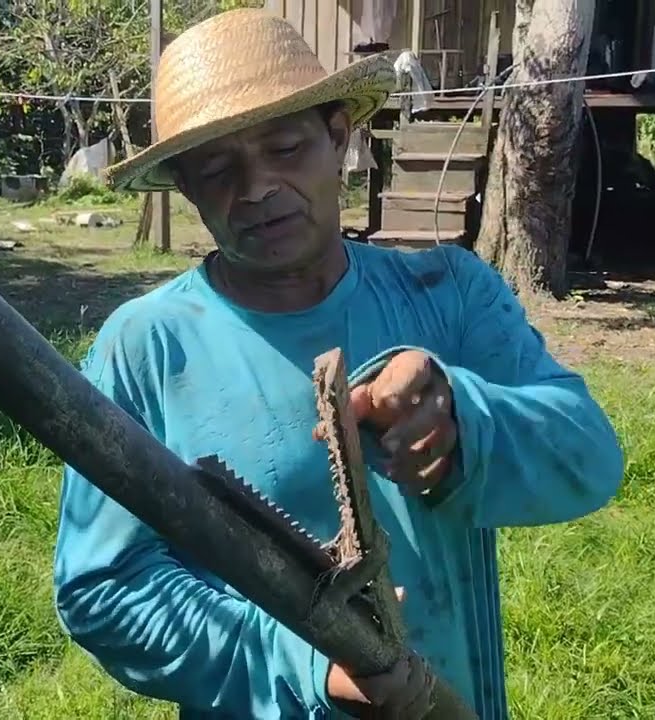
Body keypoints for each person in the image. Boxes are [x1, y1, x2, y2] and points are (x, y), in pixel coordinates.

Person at [51, 9, 624, 719]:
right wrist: (301, 662)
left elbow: (591, 459)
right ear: (187, 190)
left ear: (338, 137)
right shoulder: (145, 347)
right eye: (218, 169)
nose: (257, 188)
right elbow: (103, 587)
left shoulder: (450, 294)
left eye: (287, 147)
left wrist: (464, 425)